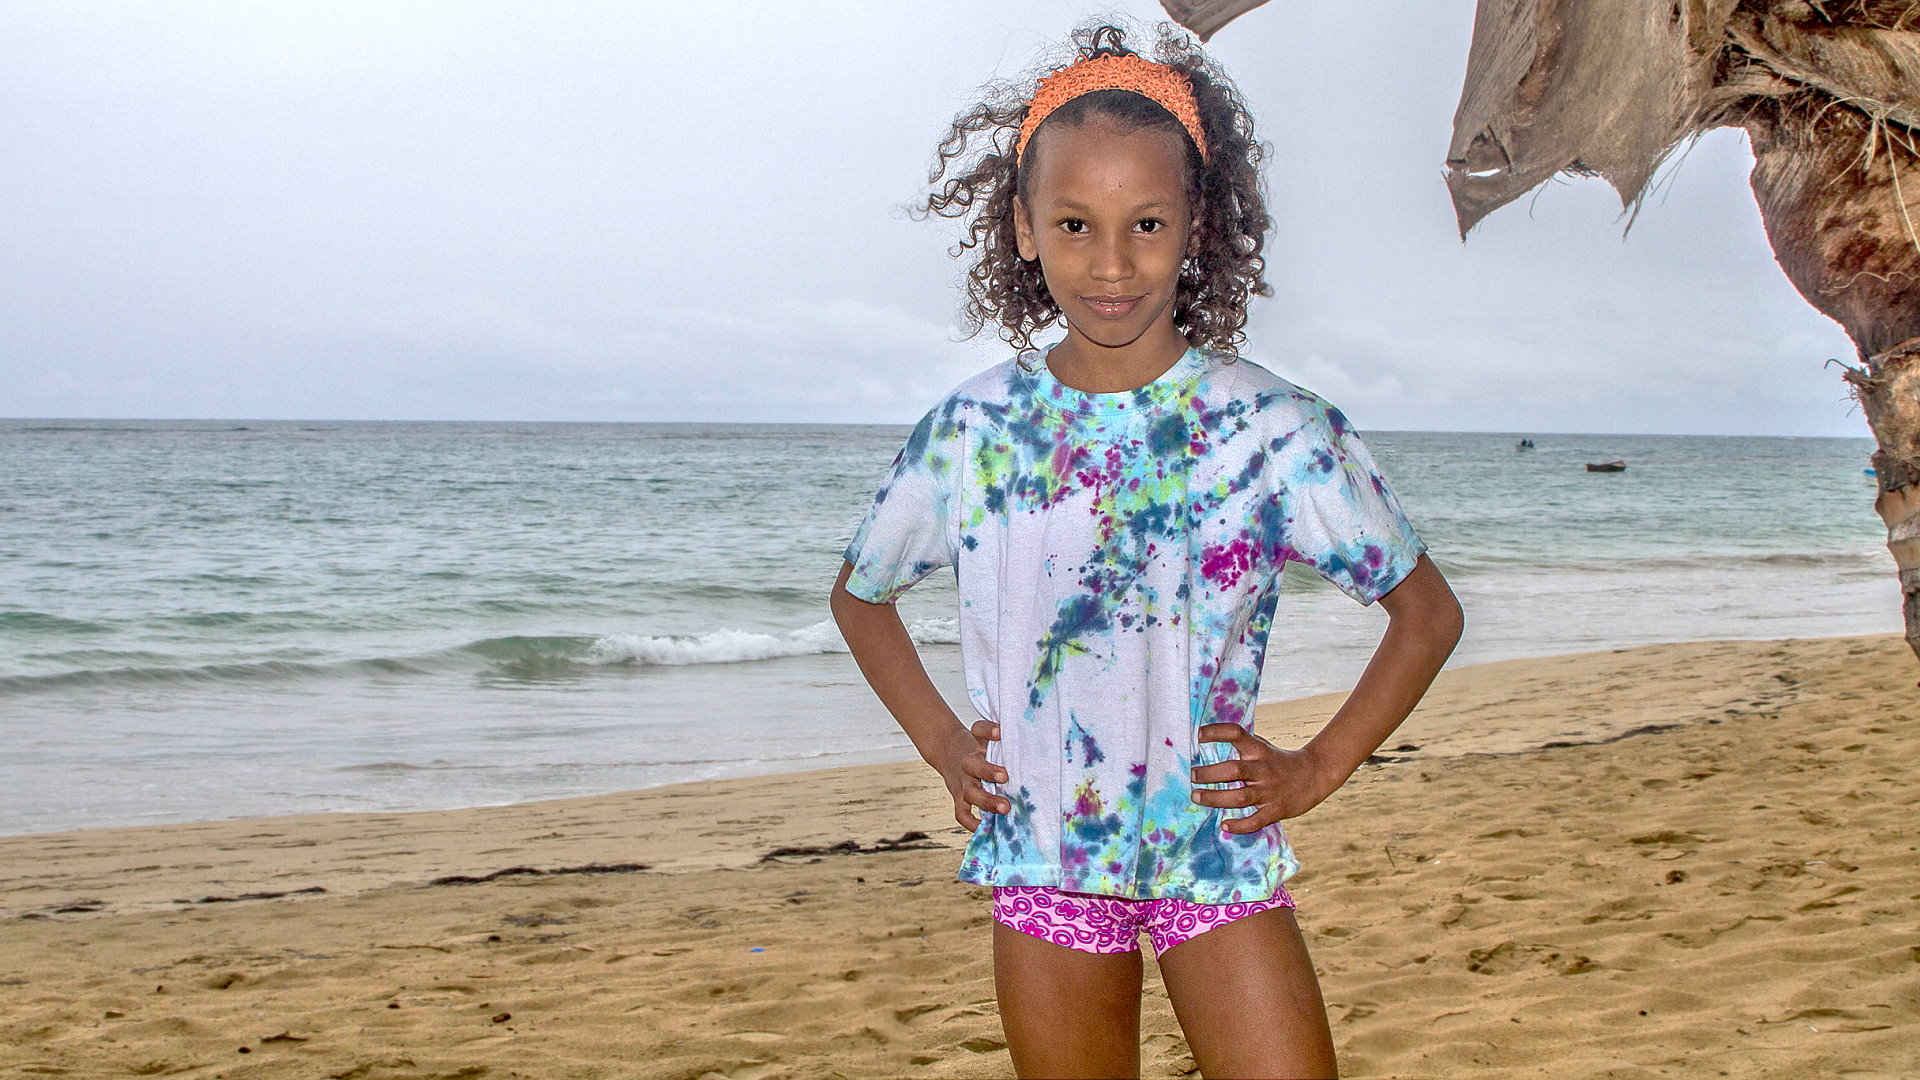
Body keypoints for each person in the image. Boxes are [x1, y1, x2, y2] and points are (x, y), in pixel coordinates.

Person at [829, 20, 1463, 1080]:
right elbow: (862, 595)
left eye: (1147, 223)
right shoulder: (974, 434)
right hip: (1047, 864)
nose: (1111, 264)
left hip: (1212, 855)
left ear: (1198, 225)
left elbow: (1427, 615)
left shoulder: (1274, 429)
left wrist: (1312, 770)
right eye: (1075, 223)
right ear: (1024, 228)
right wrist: (944, 743)